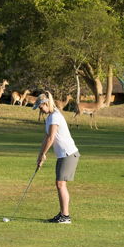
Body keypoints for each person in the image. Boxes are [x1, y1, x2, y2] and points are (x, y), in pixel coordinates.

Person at [33, 91, 80, 224]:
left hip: (68, 154)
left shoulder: (55, 117)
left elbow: (51, 137)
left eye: (41, 107)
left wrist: (43, 154)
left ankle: (65, 216)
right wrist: (40, 156)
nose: (40, 110)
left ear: (46, 103)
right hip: (63, 155)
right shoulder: (49, 118)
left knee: (60, 183)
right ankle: (63, 214)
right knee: (59, 184)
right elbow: (46, 138)